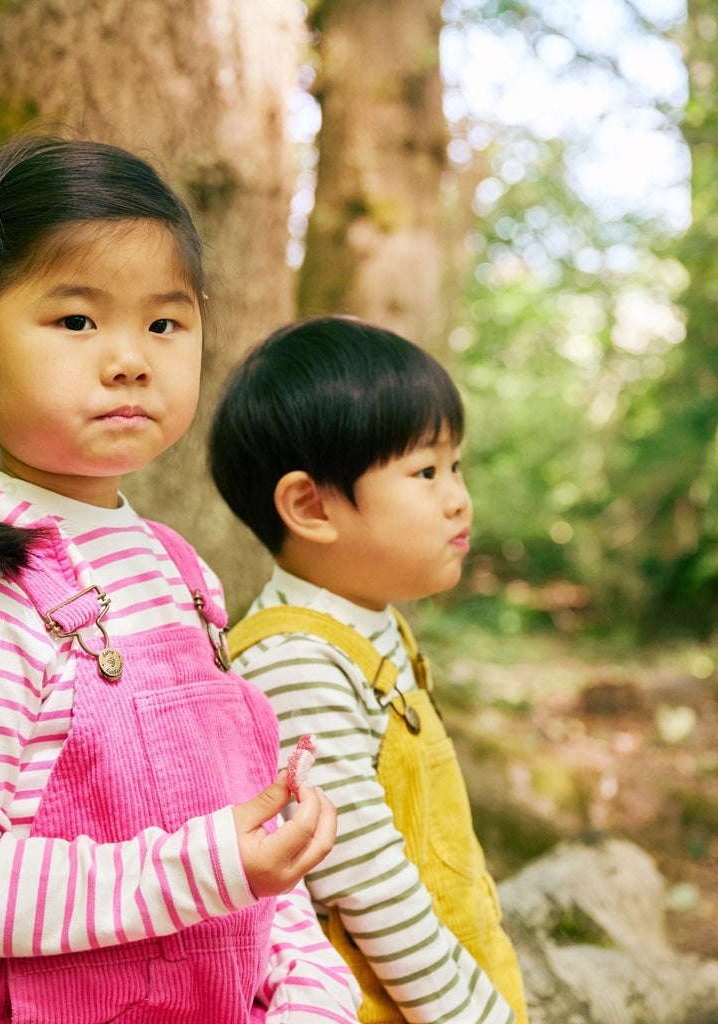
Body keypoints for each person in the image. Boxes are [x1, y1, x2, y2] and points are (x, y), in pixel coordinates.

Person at [0, 134, 362, 1023]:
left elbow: (246, 834)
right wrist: (205, 867)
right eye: (76, 321)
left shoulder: (179, 570)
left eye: (164, 323)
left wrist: (309, 992)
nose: (130, 358)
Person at [208, 316, 529, 1024]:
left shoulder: (368, 628)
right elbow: (369, 890)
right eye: (425, 471)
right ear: (310, 505)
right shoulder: (296, 664)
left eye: (456, 467)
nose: (457, 497)